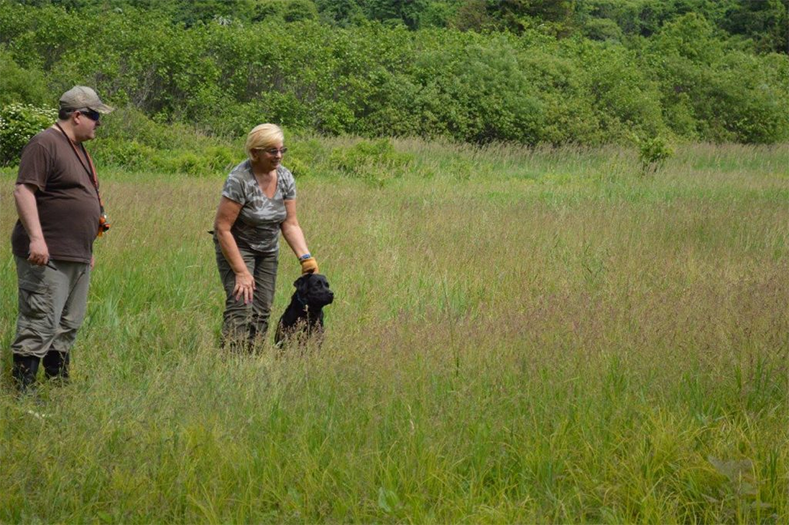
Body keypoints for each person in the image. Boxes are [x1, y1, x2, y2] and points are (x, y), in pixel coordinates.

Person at [10, 86, 114, 393]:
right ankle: (23, 391)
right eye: (95, 116)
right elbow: (24, 191)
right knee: (40, 319)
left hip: (76, 253)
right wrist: (37, 239)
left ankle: (57, 384)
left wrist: (87, 247)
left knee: (70, 322)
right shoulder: (44, 143)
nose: (98, 123)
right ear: (77, 115)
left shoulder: (79, 149)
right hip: (48, 253)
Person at [213, 123, 318, 351]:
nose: (279, 155)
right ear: (255, 153)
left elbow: (290, 223)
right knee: (241, 305)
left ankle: (252, 358)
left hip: (268, 250)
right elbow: (222, 228)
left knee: (262, 309)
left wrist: (306, 258)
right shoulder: (240, 179)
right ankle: (230, 360)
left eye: (281, 150)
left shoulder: (285, 177)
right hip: (237, 246)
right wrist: (241, 272)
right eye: (272, 151)